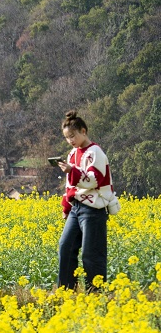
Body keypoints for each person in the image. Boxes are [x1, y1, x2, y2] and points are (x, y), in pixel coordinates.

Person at [55, 111, 114, 292]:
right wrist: (66, 208)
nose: (70, 141)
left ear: (84, 131)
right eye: (66, 138)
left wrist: (71, 171)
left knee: (91, 254)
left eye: (72, 136)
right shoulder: (72, 154)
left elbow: (93, 180)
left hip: (93, 209)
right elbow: (69, 186)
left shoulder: (95, 152)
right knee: (65, 247)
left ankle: (95, 294)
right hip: (76, 208)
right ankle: (66, 292)